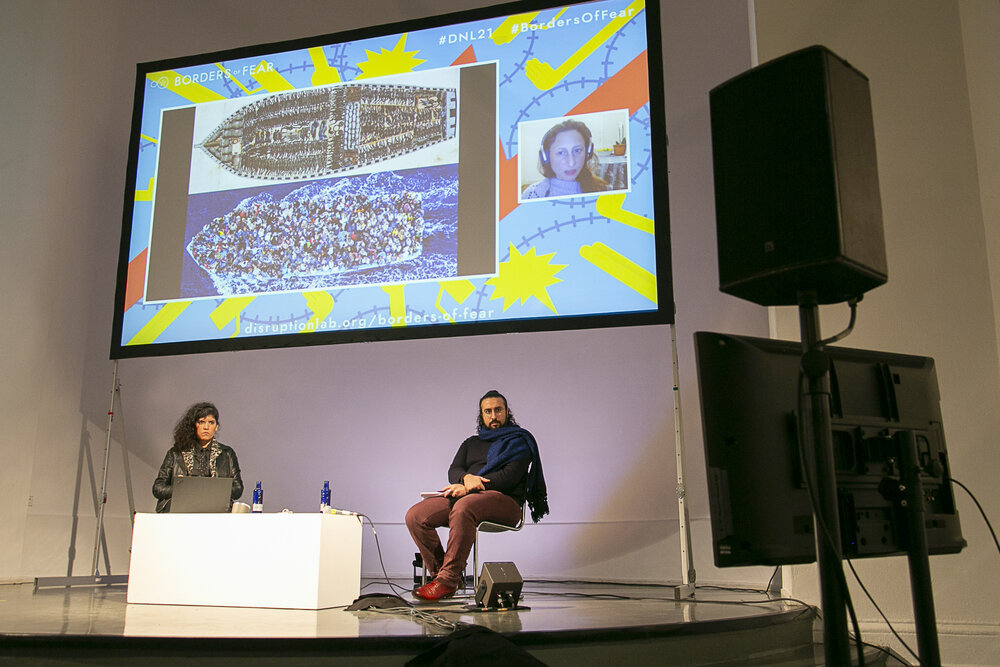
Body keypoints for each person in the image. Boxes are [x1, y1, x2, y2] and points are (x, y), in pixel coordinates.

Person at [405, 390, 549, 601]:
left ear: (507, 412)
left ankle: (448, 580)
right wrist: (465, 478)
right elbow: (454, 470)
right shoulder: (471, 443)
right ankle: (441, 575)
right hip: (468, 498)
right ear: (481, 415)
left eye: (498, 410)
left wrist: (470, 486)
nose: (493, 416)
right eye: (488, 411)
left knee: (465, 506)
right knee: (415, 516)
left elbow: (508, 477)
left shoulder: (519, 441)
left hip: (505, 501)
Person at [152, 402, 244, 513]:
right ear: (194, 425)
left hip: (216, 509)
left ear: (216, 427)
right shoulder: (176, 453)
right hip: (181, 509)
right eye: (201, 422)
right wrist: (182, 489)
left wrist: (211, 490)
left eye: (211, 422)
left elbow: (238, 489)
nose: (206, 427)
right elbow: (158, 488)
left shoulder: (226, 453)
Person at [521, 119, 608, 200]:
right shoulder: (532, 195)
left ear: (587, 152)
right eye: (561, 153)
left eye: (577, 150)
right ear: (546, 157)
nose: (571, 163)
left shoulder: (602, 189)